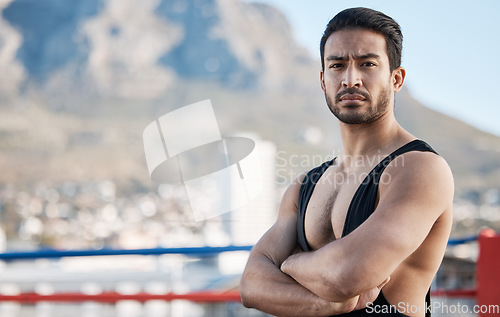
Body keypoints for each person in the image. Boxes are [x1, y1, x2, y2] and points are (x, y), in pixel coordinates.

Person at [240, 7, 453, 317]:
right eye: (338, 65)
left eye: (367, 64)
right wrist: (323, 301)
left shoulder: (420, 169)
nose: (350, 79)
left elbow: (348, 275)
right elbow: (250, 285)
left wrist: (288, 264)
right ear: (323, 80)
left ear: (396, 78)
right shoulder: (305, 185)